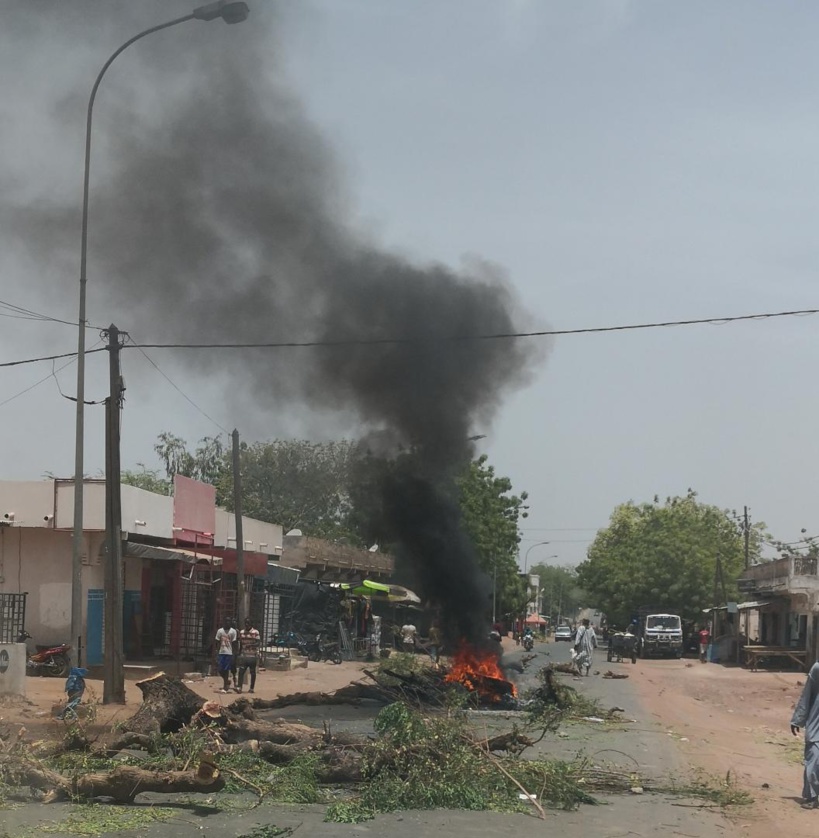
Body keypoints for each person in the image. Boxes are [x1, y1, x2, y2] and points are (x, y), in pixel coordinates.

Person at [791, 661, 819, 809]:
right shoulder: (817, 668)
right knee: (814, 762)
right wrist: (798, 719)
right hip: (817, 726)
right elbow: (807, 694)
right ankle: (811, 796)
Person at [237, 616, 261, 694]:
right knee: (241, 671)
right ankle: (239, 687)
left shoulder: (255, 632)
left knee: (252, 672)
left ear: (251, 624)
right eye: (246, 623)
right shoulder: (241, 632)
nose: (247, 625)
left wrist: (251, 645)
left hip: (252, 655)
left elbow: (258, 643)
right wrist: (239, 653)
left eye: (248, 623)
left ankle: (251, 688)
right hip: (244, 655)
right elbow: (241, 643)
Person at [215, 617, 237, 694]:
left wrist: (234, 654)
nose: (227, 623)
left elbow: (234, 644)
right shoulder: (220, 631)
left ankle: (225, 687)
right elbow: (217, 642)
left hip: (229, 653)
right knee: (220, 669)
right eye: (226, 621)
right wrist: (216, 653)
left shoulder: (233, 631)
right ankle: (226, 681)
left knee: (226, 670)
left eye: (229, 621)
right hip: (221, 652)